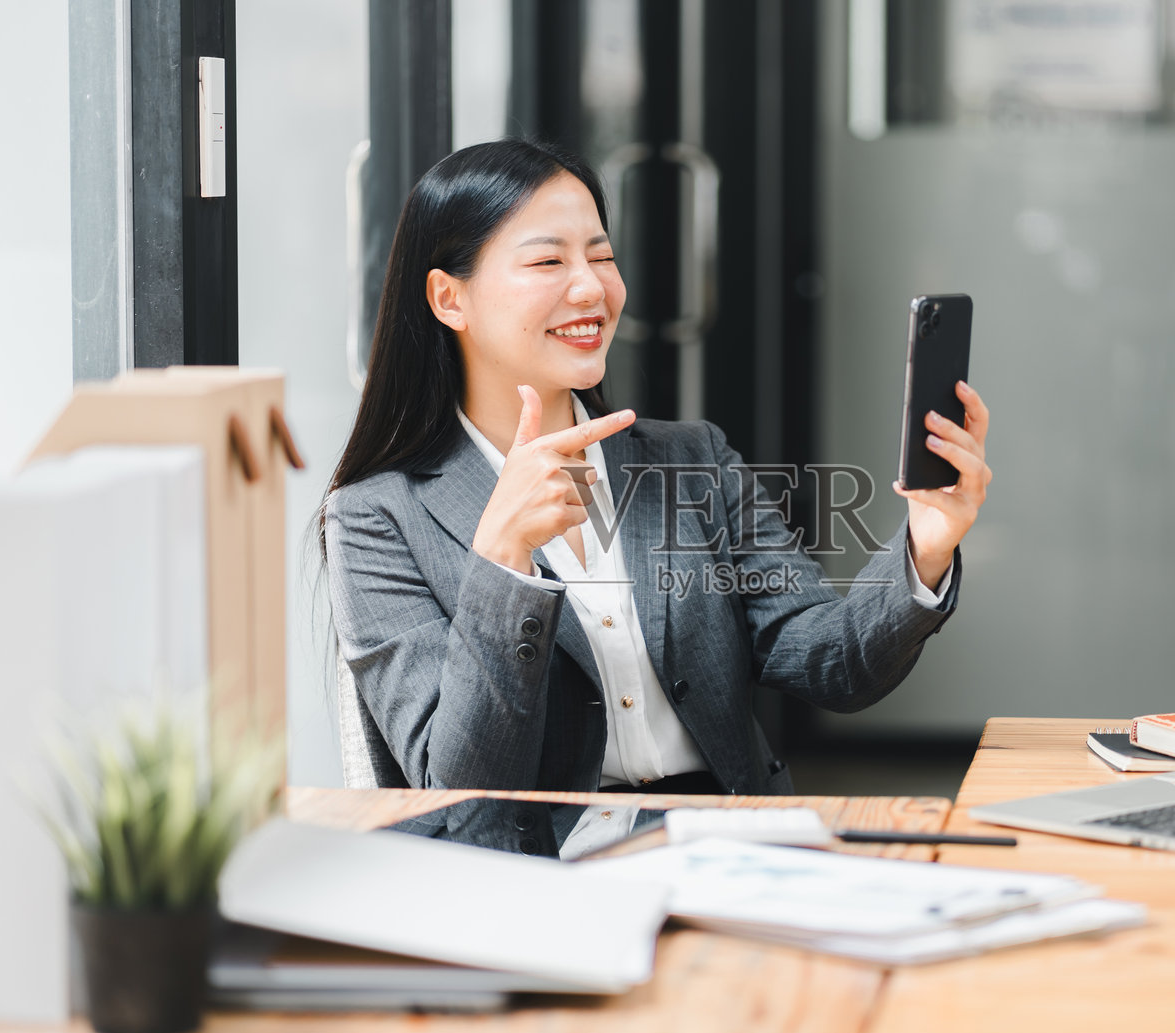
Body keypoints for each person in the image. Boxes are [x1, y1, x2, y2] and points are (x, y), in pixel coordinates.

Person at [323, 139, 991, 799]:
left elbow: (832, 662)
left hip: (728, 846)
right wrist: (503, 560)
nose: (591, 286)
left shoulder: (691, 457)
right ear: (448, 299)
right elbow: (461, 785)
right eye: (548, 260)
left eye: (602, 256)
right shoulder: (376, 515)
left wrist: (924, 548)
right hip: (539, 880)